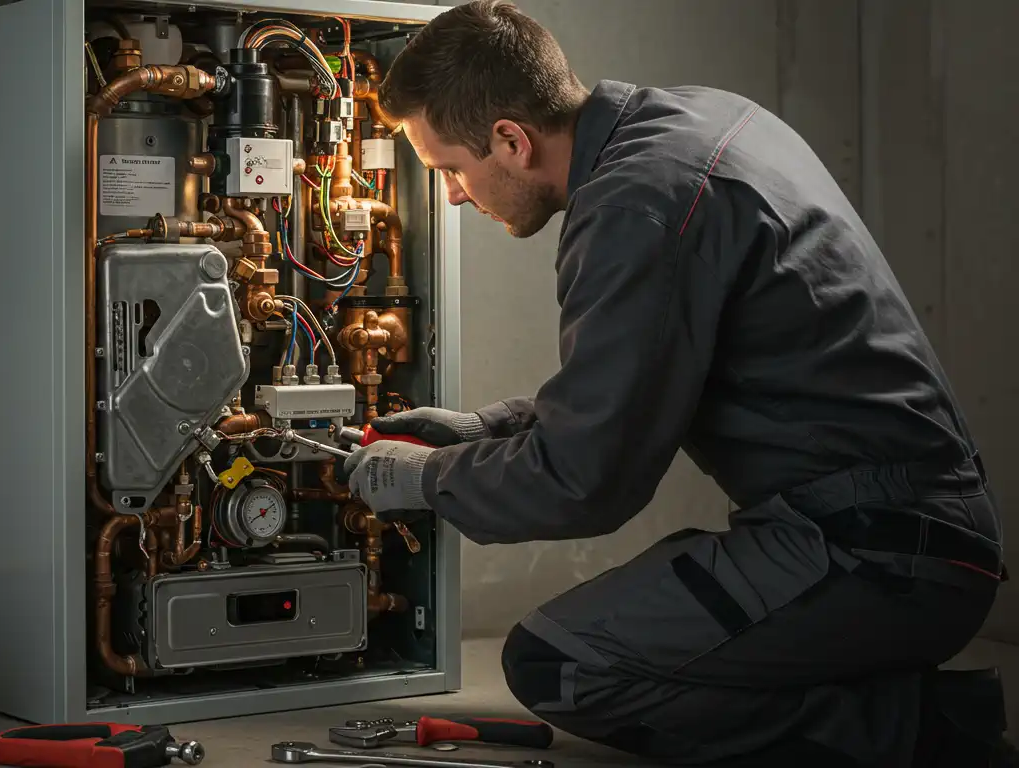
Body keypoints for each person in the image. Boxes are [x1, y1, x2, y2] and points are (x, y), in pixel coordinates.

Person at [332, 1, 1013, 765]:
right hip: (919, 532)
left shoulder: (636, 209)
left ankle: (927, 734)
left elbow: (587, 479)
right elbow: (645, 378)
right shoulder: (700, 122)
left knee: (559, 664)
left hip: (876, 559)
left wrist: (424, 481)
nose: (455, 195)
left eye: (451, 170)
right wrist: (481, 431)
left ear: (512, 141)